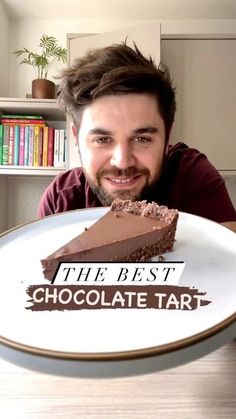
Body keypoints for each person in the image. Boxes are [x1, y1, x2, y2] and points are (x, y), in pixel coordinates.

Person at [37, 42, 236, 232]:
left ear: (167, 138)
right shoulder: (60, 199)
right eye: (103, 140)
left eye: (141, 139)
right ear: (76, 139)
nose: (122, 162)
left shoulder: (193, 177)